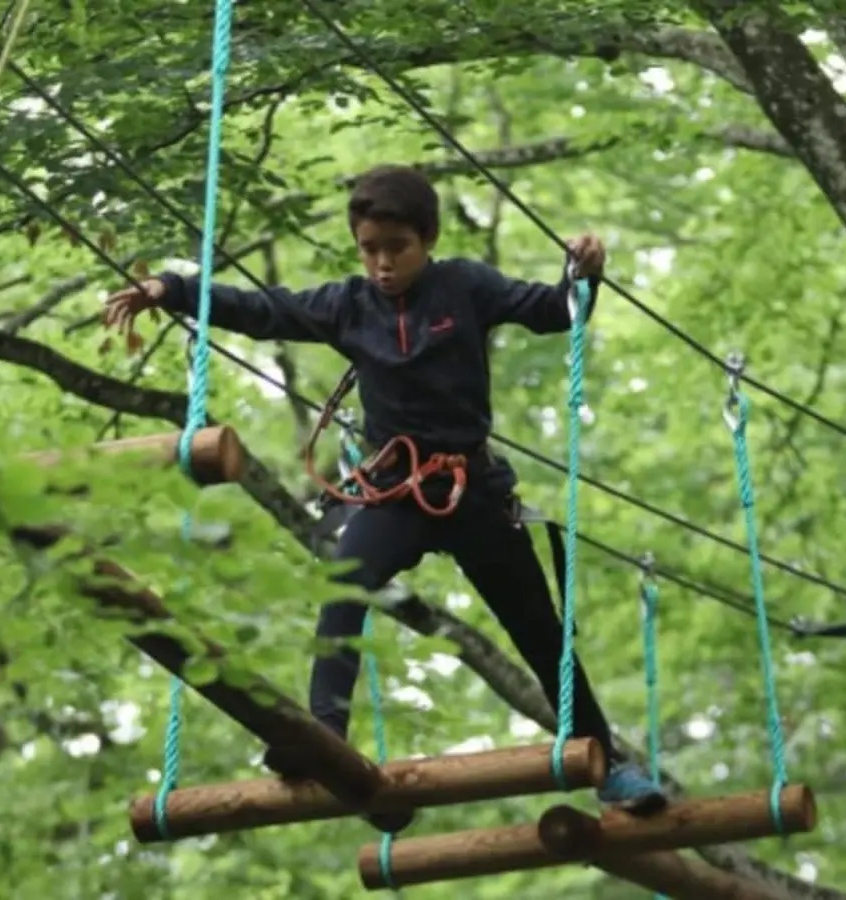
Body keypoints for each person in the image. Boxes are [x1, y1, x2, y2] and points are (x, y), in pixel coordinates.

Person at [103, 164, 667, 832]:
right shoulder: (348, 304)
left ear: (425, 239)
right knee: (345, 586)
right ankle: (322, 737)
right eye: (369, 249)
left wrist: (583, 274)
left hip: (472, 491)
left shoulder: (465, 285)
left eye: (395, 248)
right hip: (394, 492)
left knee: (538, 628)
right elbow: (263, 309)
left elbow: (550, 312)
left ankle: (610, 766)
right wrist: (170, 289)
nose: (381, 263)